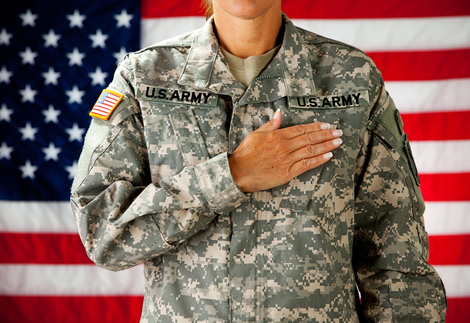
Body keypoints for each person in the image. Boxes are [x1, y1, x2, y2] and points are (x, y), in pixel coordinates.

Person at [70, 0, 447, 321]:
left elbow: (398, 264)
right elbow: (101, 232)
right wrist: (232, 175)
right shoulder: (146, 79)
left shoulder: (352, 81)